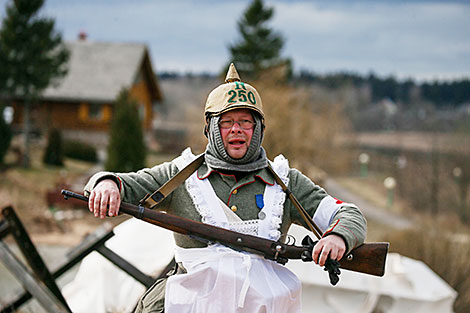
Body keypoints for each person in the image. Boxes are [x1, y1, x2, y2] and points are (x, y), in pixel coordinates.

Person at [84, 63, 367, 313]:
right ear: (210, 129)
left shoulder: (286, 181)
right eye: (227, 122)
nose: (236, 130)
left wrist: (338, 238)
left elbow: (349, 215)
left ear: (258, 129)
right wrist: (107, 184)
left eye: (245, 122)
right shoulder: (181, 174)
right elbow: (125, 184)